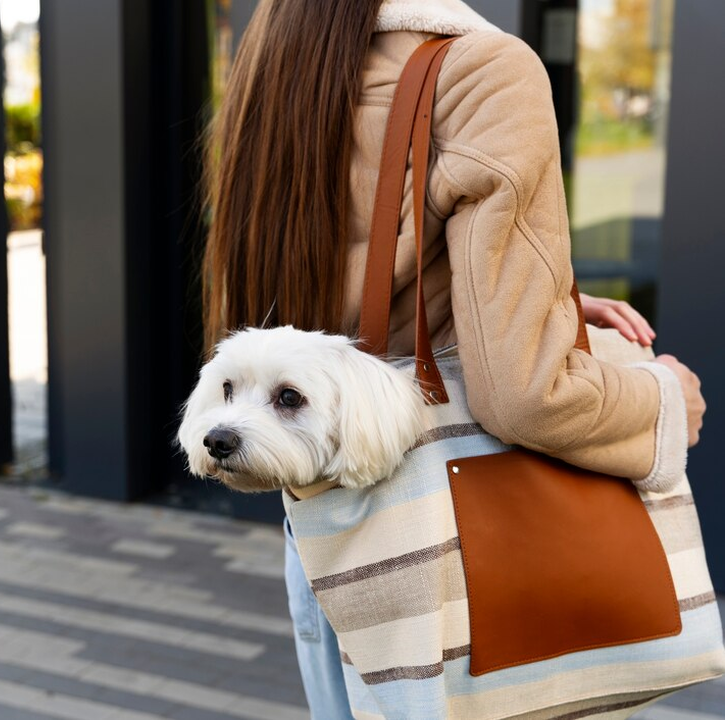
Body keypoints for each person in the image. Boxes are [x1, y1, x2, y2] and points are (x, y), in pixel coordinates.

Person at [199, 0, 707, 716]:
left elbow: (312, 299)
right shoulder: (484, 68)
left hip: (336, 547)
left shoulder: (278, 54)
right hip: (458, 561)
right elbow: (525, 395)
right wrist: (660, 404)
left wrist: (533, 298)